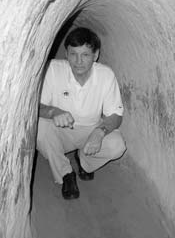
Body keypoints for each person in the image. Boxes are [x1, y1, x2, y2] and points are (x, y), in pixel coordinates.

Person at [37, 27, 126, 200]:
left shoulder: (105, 75)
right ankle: (66, 174)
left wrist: (99, 132)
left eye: (85, 55)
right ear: (66, 54)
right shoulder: (53, 69)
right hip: (60, 132)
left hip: (90, 130)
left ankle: (85, 162)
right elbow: (34, 106)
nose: (78, 61)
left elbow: (116, 115)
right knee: (39, 128)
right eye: (73, 54)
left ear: (96, 55)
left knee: (117, 145)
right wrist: (53, 111)